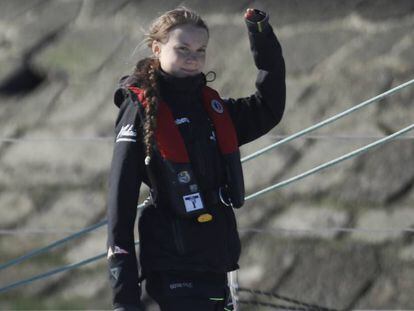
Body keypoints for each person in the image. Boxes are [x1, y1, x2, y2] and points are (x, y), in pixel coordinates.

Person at [106, 6, 285, 311]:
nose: (193, 57)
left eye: (200, 50)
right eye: (183, 48)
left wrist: (261, 36)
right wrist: (125, 301)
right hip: (171, 273)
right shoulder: (140, 111)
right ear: (157, 48)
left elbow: (269, 106)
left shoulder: (213, 111)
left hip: (216, 269)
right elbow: (119, 210)